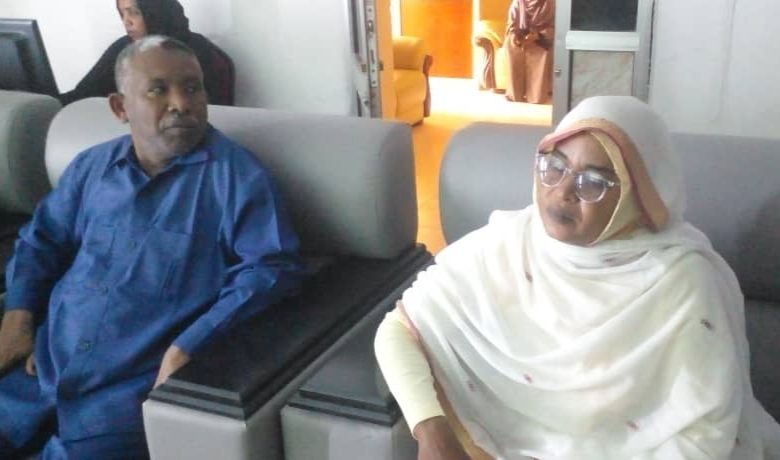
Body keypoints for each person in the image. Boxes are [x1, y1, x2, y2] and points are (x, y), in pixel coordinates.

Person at [375, 96, 780, 459]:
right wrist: (433, 434)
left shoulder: (682, 283)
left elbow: (704, 438)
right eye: (555, 166)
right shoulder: (509, 243)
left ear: (638, 196)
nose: (563, 191)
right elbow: (398, 330)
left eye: (594, 181)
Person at [0, 35, 301, 458]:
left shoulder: (237, 178)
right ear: (120, 108)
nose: (181, 103)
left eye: (193, 88)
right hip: (40, 370)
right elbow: (42, 240)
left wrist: (188, 346)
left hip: (121, 399)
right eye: (158, 90)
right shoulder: (91, 168)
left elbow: (270, 270)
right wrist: (18, 317)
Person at [58, 0, 234, 106]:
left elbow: (208, 111)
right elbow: (84, 95)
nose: (127, 22)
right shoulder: (125, 47)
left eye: (134, 13)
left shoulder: (194, 52)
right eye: (122, 14)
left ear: (156, 12)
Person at [503, 0, 554, 104]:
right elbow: (512, 23)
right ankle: (515, 93)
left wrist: (537, 36)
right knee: (510, 44)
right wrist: (514, 35)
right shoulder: (518, 2)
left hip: (541, 38)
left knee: (541, 51)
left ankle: (536, 95)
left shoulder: (549, 3)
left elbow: (554, 27)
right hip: (521, 36)